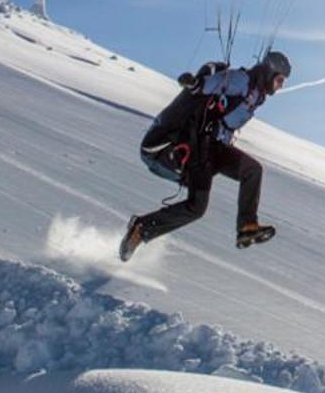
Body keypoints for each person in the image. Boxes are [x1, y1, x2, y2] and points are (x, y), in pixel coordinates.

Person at [119, 49, 290, 261]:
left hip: (215, 149)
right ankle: (141, 229)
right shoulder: (242, 80)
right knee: (199, 205)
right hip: (204, 144)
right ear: (270, 73)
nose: (281, 85)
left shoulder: (256, 94)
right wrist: (197, 85)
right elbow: (218, 82)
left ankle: (247, 226)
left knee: (247, 174)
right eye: (280, 79)